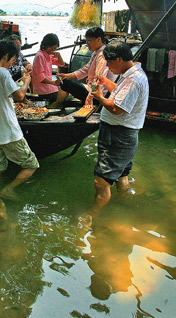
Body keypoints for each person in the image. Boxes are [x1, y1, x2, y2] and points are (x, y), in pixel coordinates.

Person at [88, 41, 149, 214]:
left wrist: (99, 96)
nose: (107, 66)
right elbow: (122, 94)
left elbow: (116, 108)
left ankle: (91, 216)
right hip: (125, 135)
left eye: (109, 62)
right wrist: (106, 82)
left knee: (101, 182)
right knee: (121, 175)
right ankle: (124, 207)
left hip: (119, 135)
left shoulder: (133, 79)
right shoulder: (132, 73)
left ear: (120, 59)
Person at [0, 40, 39, 201]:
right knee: (32, 165)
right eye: (12, 60)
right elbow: (19, 96)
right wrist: (25, 81)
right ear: (6, 56)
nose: (12, 64)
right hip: (9, 133)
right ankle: (8, 189)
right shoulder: (2, 73)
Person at [57, 27, 115, 106]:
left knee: (67, 83)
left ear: (98, 40)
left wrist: (89, 99)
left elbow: (98, 80)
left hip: (99, 96)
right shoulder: (96, 53)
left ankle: (57, 104)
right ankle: (58, 103)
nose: (87, 44)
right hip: (92, 90)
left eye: (89, 41)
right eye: (86, 41)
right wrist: (66, 76)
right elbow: (85, 70)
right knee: (66, 80)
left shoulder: (102, 55)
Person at [31, 33, 67, 107]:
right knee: (63, 97)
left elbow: (61, 64)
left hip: (49, 87)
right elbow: (40, 77)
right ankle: (51, 106)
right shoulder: (40, 56)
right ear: (46, 45)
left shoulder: (48, 55)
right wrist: (54, 83)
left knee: (65, 92)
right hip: (43, 89)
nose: (53, 51)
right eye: (52, 48)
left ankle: (54, 105)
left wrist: (59, 55)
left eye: (55, 49)